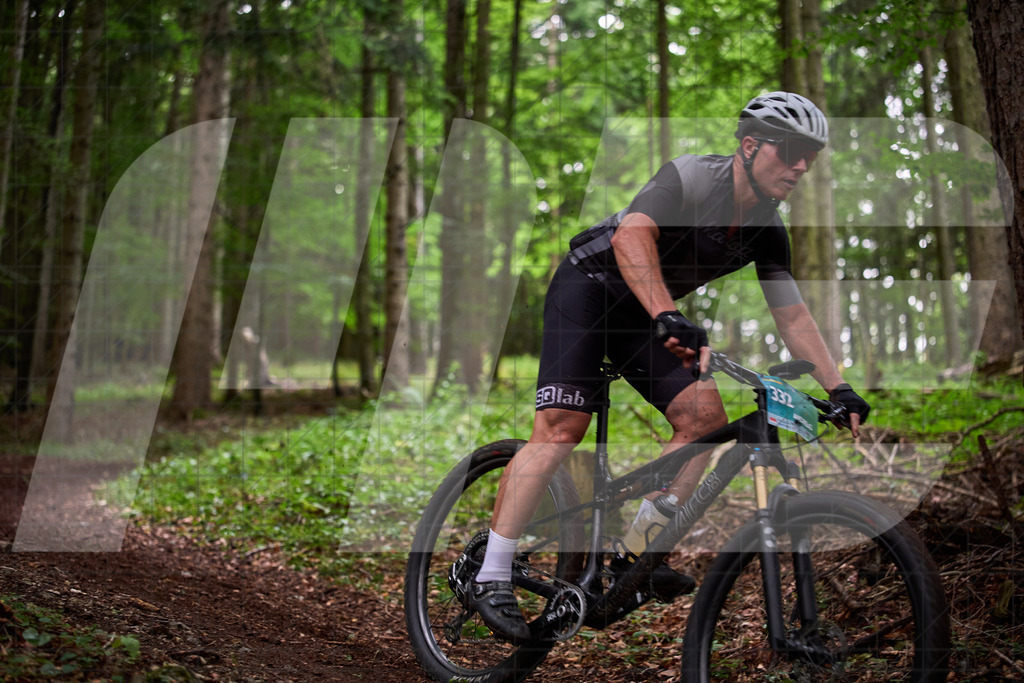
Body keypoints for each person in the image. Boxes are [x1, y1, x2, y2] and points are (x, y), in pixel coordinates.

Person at [466, 92, 871, 642]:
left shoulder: (766, 230)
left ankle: (635, 556)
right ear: (751, 146)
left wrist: (839, 387)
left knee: (705, 418)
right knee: (563, 429)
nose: (801, 166)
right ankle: (489, 573)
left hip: (643, 314)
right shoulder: (693, 179)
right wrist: (669, 314)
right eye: (792, 150)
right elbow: (633, 233)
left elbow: (794, 316)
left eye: (811, 156)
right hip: (587, 290)